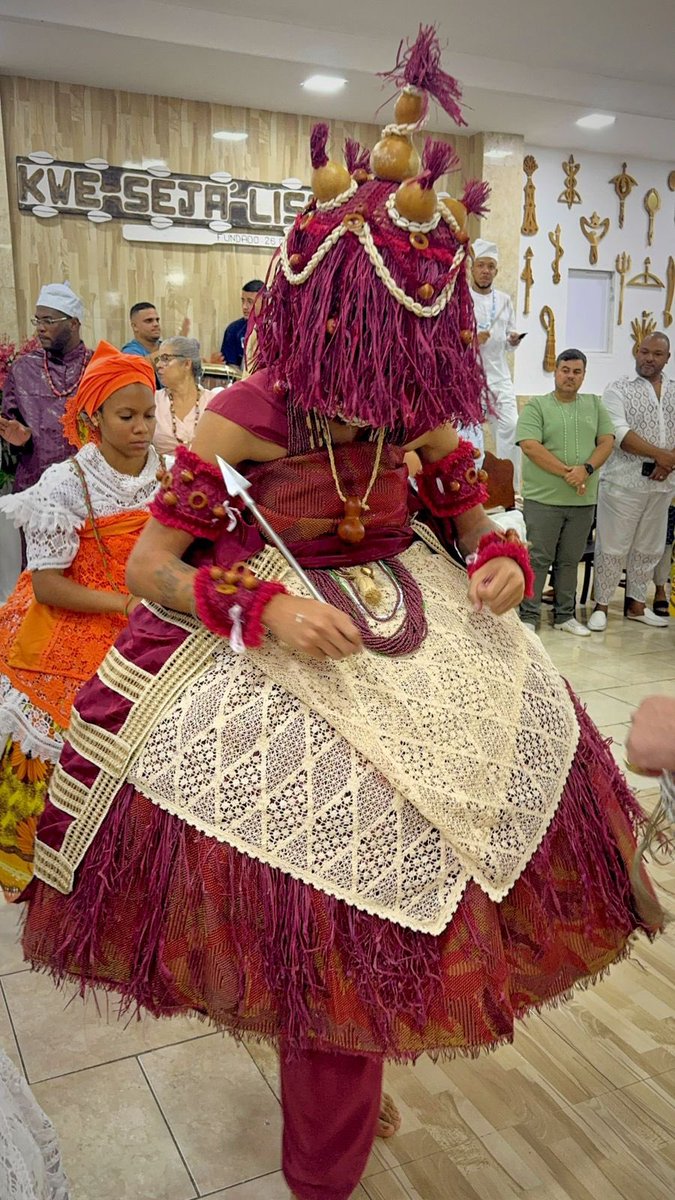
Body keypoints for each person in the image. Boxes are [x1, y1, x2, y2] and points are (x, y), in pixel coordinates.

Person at [20, 29, 660, 1200]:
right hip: (274, 652)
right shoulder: (250, 413)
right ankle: (327, 1131)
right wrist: (261, 608)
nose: (396, 388)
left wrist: (500, 556)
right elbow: (156, 568)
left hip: (413, 636)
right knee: (316, 912)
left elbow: (469, 511)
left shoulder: (413, 406)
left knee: (422, 882)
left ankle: (356, 1048)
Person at [0, 343, 158, 899]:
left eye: (149, 415)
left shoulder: (169, 473)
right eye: (126, 416)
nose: (141, 428)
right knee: (63, 728)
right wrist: (123, 605)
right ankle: (50, 870)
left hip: (151, 614)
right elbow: (47, 585)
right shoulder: (65, 483)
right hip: (77, 616)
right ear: (93, 418)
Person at [517, 348, 615, 635]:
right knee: (538, 558)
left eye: (577, 372)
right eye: (565, 370)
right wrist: (568, 472)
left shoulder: (595, 405)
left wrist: (586, 469)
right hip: (543, 500)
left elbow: (607, 442)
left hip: (582, 500)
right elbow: (530, 446)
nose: (570, 376)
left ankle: (564, 616)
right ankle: (528, 616)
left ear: (583, 375)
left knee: (570, 560)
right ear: (556, 372)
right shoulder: (537, 406)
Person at [588, 333, 675, 631]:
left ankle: (637, 605)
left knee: (649, 547)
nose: (649, 358)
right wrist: (662, 456)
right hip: (622, 484)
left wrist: (667, 462)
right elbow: (620, 434)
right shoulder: (619, 388)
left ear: (667, 358)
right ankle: (601, 606)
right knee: (613, 546)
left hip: (663, 484)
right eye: (644, 351)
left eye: (657, 354)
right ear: (636, 352)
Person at [0, 283, 91, 494]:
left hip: (88, 485)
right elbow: (12, 428)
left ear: (74, 323)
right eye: (37, 320)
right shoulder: (23, 369)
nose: (40, 328)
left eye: (48, 321)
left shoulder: (98, 366)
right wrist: (19, 439)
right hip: (34, 485)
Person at [470, 239, 522, 484]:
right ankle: (471, 490)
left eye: (490, 266)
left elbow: (509, 341)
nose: (485, 271)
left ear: (496, 271)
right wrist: (472, 340)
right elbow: (447, 341)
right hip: (469, 379)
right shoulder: (461, 298)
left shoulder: (504, 300)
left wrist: (513, 339)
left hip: (499, 377)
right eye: (481, 265)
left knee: (511, 425)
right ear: (472, 268)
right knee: (470, 436)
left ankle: (508, 487)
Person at [153, 337, 224, 455]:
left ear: (187, 364)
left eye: (165, 359)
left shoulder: (213, 401)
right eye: (157, 360)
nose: (158, 365)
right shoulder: (153, 401)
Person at [220, 279, 264, 368]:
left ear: (264, 302)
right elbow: (231, 367)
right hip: (241, 375)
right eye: (243, 301)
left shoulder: (275, 331)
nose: (244, 307)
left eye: (250, 302)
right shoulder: (233, 330)